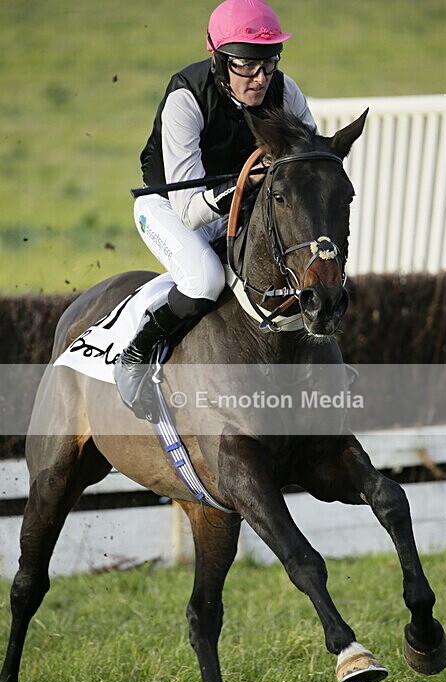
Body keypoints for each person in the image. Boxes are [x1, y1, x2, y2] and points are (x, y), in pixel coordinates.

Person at [114, 0, 317, 421]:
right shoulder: (185, 98)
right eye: (245, 66)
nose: (260, 78)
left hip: (237, 208)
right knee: (205, 278)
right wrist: (245, 184)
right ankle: (134, 356)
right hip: (167, 207)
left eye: (268, 63)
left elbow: (307, 162)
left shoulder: (286, 90)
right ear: (219, 59)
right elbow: (189, 212)